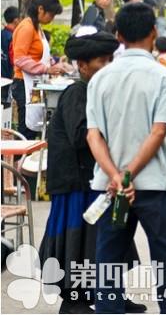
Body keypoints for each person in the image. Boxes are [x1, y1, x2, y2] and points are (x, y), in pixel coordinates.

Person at [86, 3, 166, 313]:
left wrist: (118, 177)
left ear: (118, 36)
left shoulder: (100, 79)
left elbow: (94, 136)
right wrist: (129, 174)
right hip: (153, 186)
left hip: (111, 188)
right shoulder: (163, 77)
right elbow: (158, 132)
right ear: (154, 33)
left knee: (108, 263)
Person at [39, 29, 146, 314]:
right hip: (77, 182)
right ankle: (74, 300)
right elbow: (81, 136)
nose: (109, 65)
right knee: (80, 239)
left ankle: (112, 295)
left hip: (100, 178)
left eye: (111, 58)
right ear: (82, 66)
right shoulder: (77, 92)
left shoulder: (102, 91)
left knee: (111, 236)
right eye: (102, 60)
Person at [12, 0, 66, 139]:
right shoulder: (27, 27)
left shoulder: (37, 27)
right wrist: (46, 69)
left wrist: (56, 65)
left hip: (33, 83)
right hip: (23, 83)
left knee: (32, 128)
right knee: (26, 130)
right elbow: (20, 59)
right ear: (41, 9)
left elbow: (41, 56)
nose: (52, 19)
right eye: (51, 15)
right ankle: (19, 161)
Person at [1, 6, 19, 104]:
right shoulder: (12, 38)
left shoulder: (1, 34)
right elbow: (14, 60)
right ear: (16, 20)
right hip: (7, 79)